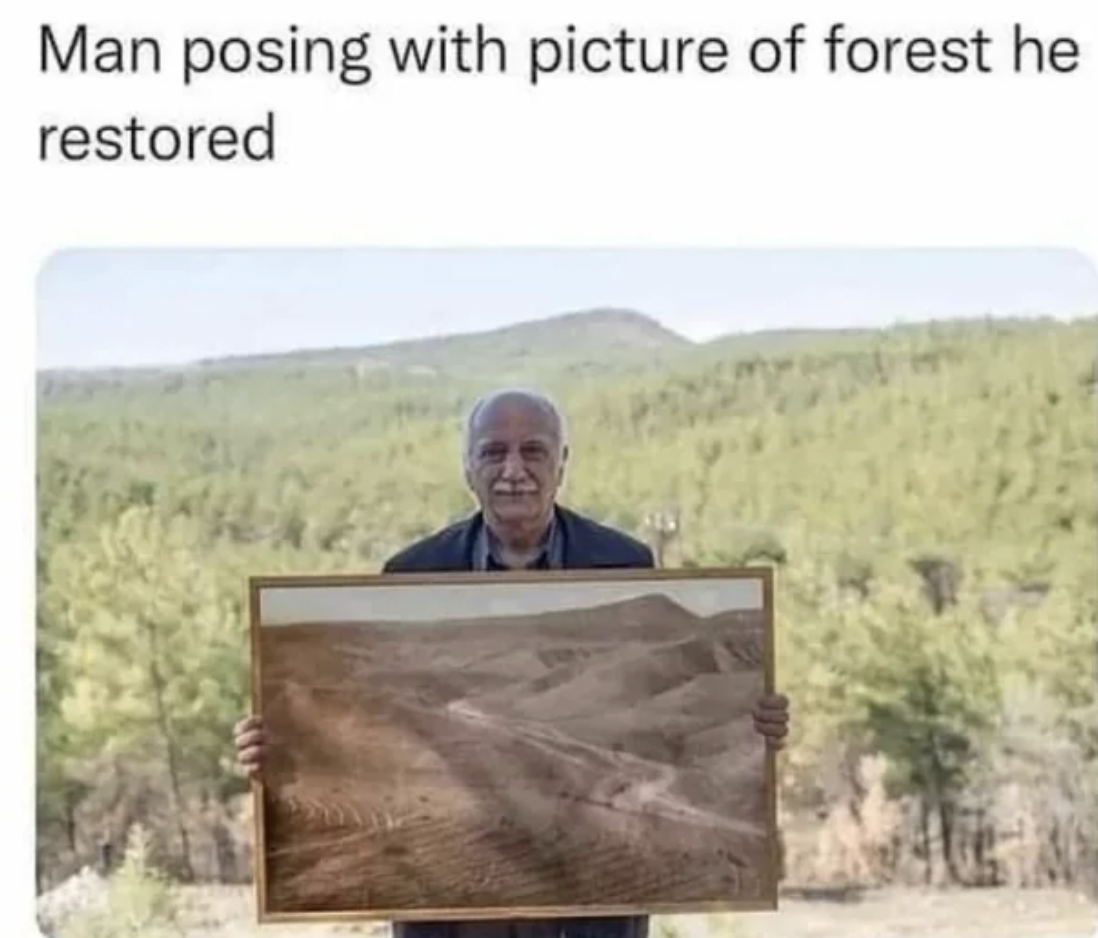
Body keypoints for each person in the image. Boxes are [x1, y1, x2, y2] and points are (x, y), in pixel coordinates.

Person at [234, 387, 790, 938]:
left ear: (562, 463)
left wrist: (750, 719)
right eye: (494, 452)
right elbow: (372, 725)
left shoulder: (624, 562)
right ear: (468, 468)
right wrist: (284, 749)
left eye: (534, 450)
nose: (514, 470)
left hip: (588, 913)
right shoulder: (412, 573)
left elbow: (673, 734)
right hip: (449, 914)